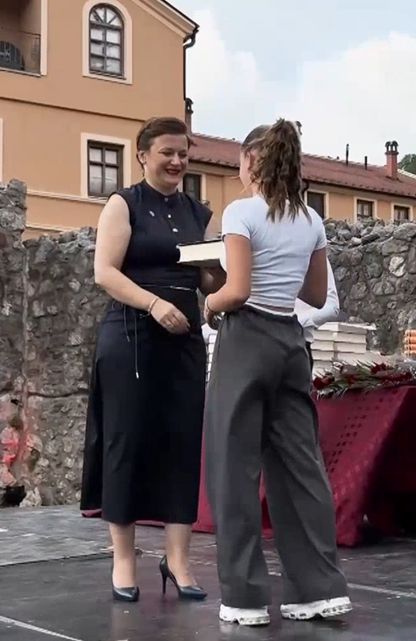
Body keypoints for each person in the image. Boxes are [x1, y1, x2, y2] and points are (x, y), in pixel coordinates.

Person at [203, 119, 350, 627]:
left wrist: (209, 302)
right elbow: (315, 295)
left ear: (250, 161)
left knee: (234, 468)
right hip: (291, 342)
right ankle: (319, 589)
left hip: (246, 337)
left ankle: (244, 597)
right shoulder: (310, 219)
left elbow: (238, 290)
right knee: (301, 467)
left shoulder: (241, 212)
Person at [80, 117, 216, 603]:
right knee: (126, 441)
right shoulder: (124, 203)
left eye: (183, 154)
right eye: (167, 153)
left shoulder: (201, 213)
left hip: (183, 339)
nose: (177, 161)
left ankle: (177, 560)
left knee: (182, 442)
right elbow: (104, 272)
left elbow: (208, 282)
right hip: (130, 335)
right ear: (143, 155)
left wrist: (225, 270)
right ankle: (123, 559)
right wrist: (154, 304)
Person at [295, 258, 340, 369]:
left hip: (298, 347)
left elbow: (331, 306)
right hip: (260, 345)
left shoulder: (311, 252)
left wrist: (295, 322)